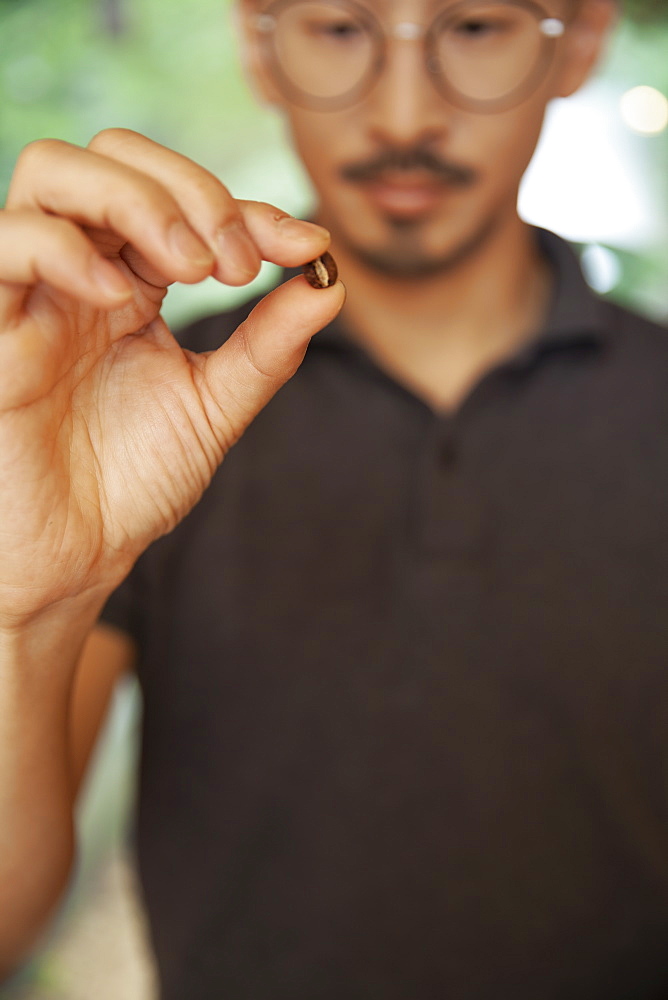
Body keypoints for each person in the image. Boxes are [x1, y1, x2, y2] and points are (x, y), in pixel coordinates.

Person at [1, 0, 667, 995]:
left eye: (474, 28)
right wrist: (17, 609)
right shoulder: (129, 408)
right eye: (340, 30)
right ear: (257, 48)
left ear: (572, 44)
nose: (402, 114)